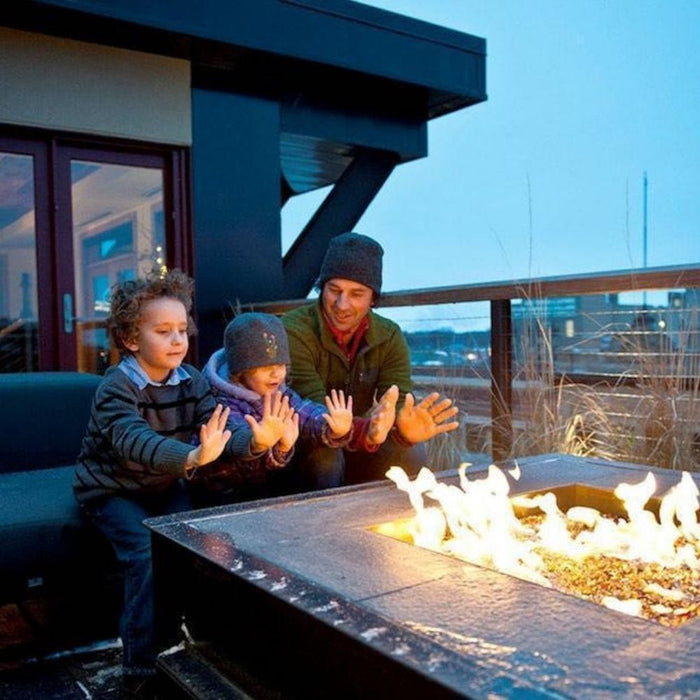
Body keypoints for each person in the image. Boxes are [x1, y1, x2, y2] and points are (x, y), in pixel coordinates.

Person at [73, 269, 238, 695]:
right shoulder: (117, 386)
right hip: (112, 490)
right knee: (144, 554)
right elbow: (133, 440)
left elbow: (220, 427)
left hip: (163, 486)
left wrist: (259, 439)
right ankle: (139, 669)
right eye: (163, 331)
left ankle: (177, 642)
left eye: (182, 329)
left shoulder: (192, 380)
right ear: (132, 338)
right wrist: (190, 457)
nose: (178, 340)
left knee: (188, 544)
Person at [282, 231, 460, 486]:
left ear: (373, 298)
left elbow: (396, 398)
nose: (342, 304)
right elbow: (315, 410)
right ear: (322, 289)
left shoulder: (389, 335)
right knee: (326, 456)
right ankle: (321, 514)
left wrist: (401, 427)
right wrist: (367, 430)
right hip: (306, 441)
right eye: (334, 290)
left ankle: (402, 511)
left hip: (363, 440)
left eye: (356, 294)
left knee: (410, 450)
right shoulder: (294, 329)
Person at [193, 312, 399, 502]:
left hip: (271, 481)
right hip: (229, 495)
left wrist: (332, 425)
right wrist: (261, 444)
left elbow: (305, 413)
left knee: (327, 453)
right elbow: (238, 460)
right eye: (265, 368)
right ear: (241, 371)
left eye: (281, 365)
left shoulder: (280, 392)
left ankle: (327, 513)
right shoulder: (220, 403)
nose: (276, 374)